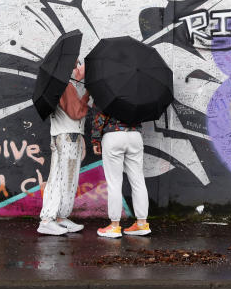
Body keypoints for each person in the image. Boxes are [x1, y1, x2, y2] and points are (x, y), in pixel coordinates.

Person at [37, 60, 91, 236]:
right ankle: (47, 219)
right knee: (59, 178)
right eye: (77, 65)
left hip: (69, 136)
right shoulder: (65, 86)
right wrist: (88, 93)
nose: (80, 67)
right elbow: (76, 112)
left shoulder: (65, 86)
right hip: (66, 137)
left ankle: (60, 217)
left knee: (69, 179)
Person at [92, 109, 150, 238]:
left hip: (113, 136)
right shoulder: (138, 92)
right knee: (138, 181)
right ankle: (142, 224)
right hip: (135, 135)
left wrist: (96, 139)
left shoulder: (107, 90)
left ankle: (114, 226)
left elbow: (100, 116)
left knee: (114, 183)